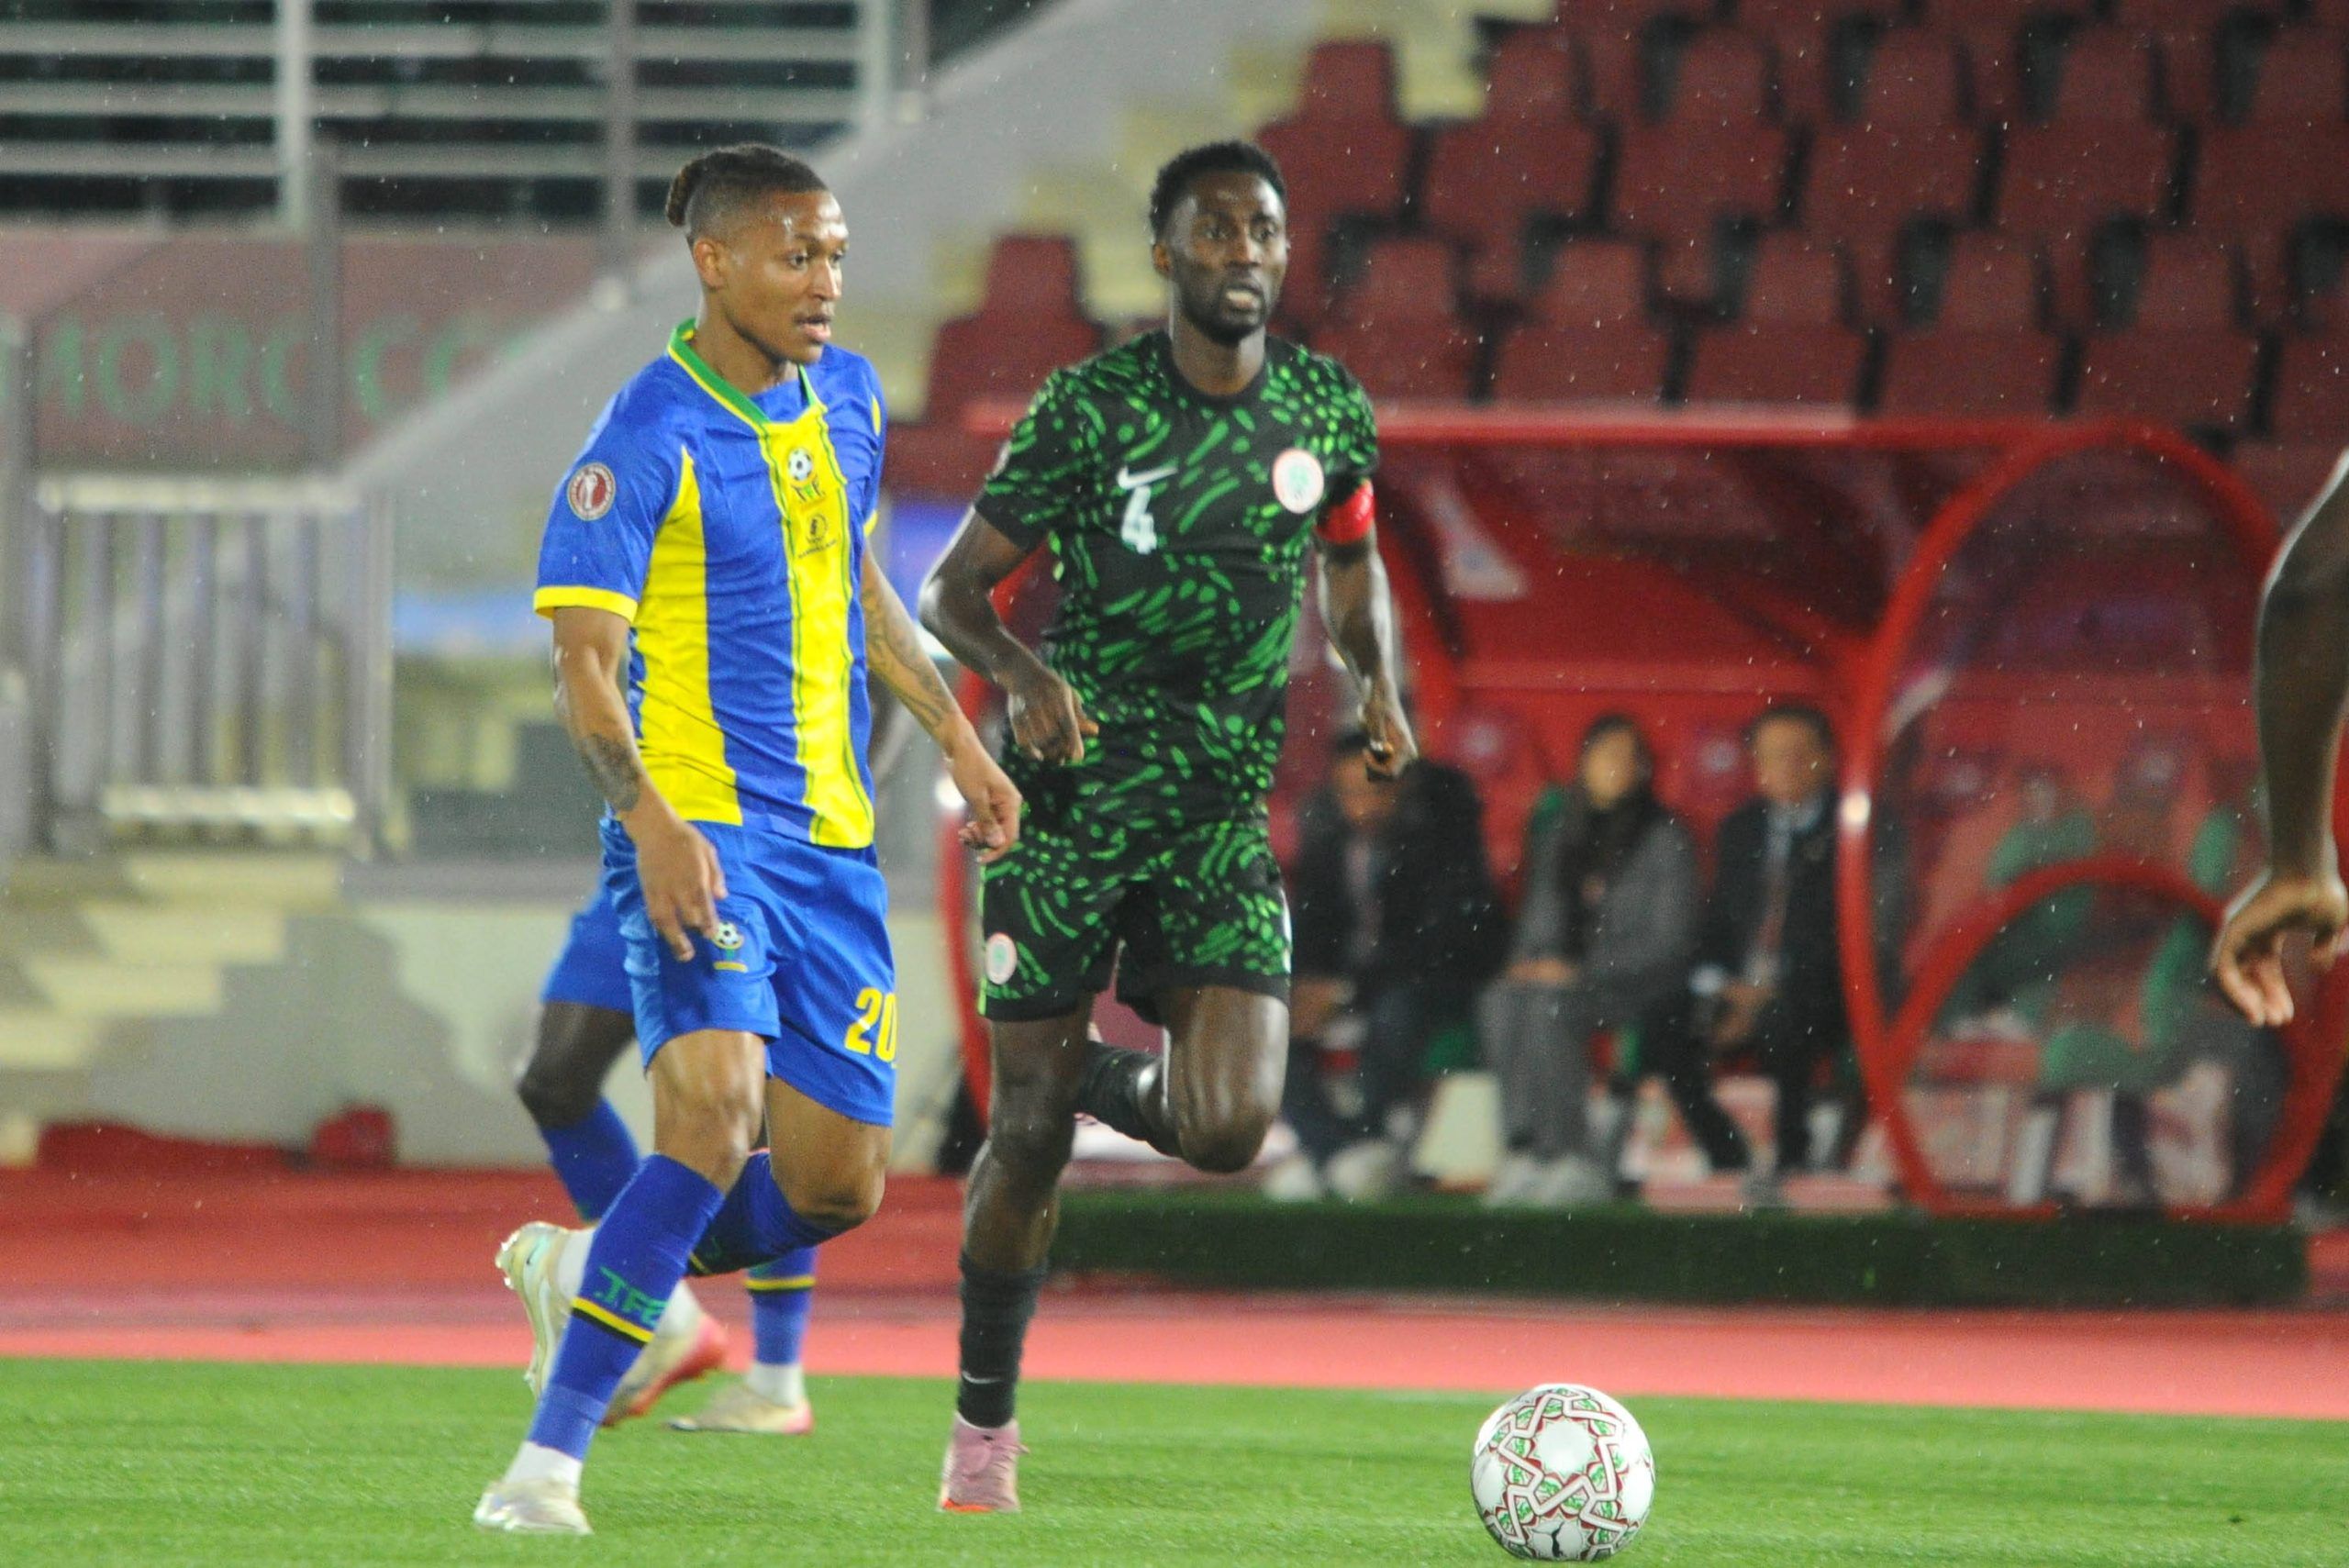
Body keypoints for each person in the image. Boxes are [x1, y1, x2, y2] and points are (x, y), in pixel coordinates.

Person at [473, 143, 1021, 1535]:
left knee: (841, 1180)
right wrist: (649, 817)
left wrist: (961, 738)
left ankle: (591, 1261)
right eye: (797, 256)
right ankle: (544, 1471)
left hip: (830, 846)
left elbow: (864, 598)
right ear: (714, 262)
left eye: (835, 254)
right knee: (712, 1121)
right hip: (698, 832)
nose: (827, 284)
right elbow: (584, 668)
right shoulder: (642, 436)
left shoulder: (847, 398)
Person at [917, 139, 1413, 1513]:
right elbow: (953, 596)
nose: (1243, 251)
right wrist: (1025, 680)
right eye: (1214, 231)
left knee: (1231, 1126)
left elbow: (1356, 566)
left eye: (1262, 229)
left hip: (1211, 823)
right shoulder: (1088, 412)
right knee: (1020, 1149)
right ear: (1165, 252)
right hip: (1066, 814)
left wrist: (1376, 684)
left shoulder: (1322, 411)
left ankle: (1064, 1071)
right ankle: (983, 1434)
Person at [513, 695, 912, 1435]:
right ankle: (657, 1308)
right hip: (654, 831)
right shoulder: (627, 581)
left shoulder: (806, 580)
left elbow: (870, 651)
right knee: (552, 1077)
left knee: (761, 1105)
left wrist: (862, 785)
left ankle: (774, 1373)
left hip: (771, 837)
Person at [1271, 730, 1504, 1201]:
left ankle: (1366, 1139)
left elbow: (1440, 942)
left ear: (1400, 787)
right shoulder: (1328, 839)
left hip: (1429, 983)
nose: (1361, 804)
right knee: (1271, 1026)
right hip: (1351, 984)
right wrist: (1303, 986)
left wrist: (1346, 990)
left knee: (1396, 1012)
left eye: (1372, 789)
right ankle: (1335, 1152)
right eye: (1348, 792)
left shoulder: (1441, 839)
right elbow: (1314, 929)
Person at [1482, 716, 1698, 1207]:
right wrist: (1528, 961)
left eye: (1627, 758)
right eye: (1605, 757)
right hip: (1564, 976)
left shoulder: (1666, 837)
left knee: (1551, 1006)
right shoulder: (1563, 831)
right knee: (1501, 998)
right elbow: (1539, 915)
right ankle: (1524, 1146)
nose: (1616, 768)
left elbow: (1670, 940)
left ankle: (1570, 1152)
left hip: (1638, 982)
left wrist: (1584, 970)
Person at [1688, 704, 1855, 1207]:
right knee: (1666, 1020)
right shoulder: (1739, 829)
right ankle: (1728, 1157)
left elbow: (1856, 936)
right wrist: (1716, 982)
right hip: (1742, 987)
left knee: (1787, 1019)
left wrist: (1767, 991)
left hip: (1820, 990)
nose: (1780, 768)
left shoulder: (1855, 827)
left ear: (1825, 760)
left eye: (1795, 755)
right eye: (1769, 757)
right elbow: (1718, 921)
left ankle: (1792, 1160)